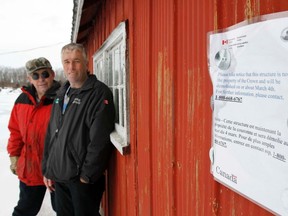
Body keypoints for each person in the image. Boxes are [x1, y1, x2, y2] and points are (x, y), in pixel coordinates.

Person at [42, 43, 115, 216]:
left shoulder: (97, 93)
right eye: (66, 62)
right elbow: (52, 134)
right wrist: (48, 169)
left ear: (86, 62)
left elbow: (100, 140)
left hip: (81, 180)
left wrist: (86, 177)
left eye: (76, 61)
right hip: (60, 176)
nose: (71, 67)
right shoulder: (61, 94)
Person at [7, 57, 60, 216]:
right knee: (25, 210)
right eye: (35, 76)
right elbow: (15, 132)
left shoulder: (62, 98)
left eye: (45, 74)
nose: (41, 79)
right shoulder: (21, 100)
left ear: (52, 74)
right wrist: (14, 157)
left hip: (56, 169)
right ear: (29, 78)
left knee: (64, 210)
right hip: (30, 168)